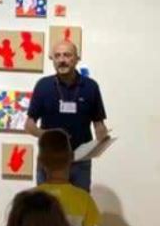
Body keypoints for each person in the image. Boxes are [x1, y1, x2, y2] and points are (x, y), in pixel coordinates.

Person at [25, 40, 110, 191]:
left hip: (80, 160)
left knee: (79, 201)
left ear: (77, 58)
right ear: (52, 59)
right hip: (49, 160)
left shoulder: (90, 87)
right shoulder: (43, 86)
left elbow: (99, 124)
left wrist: (102, 140)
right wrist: (49, 135)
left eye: (67, 55)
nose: (62, 60)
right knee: (46, 203)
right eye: (57, 56)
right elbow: (29, 125)